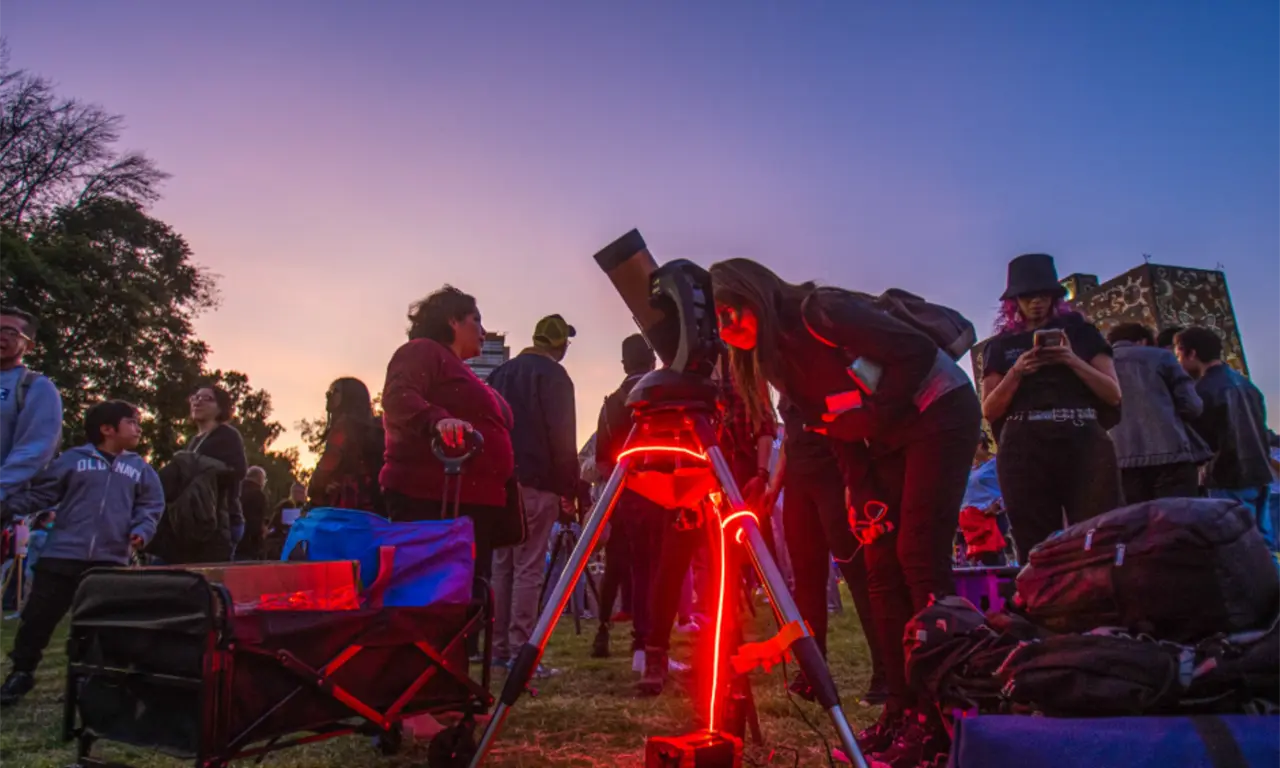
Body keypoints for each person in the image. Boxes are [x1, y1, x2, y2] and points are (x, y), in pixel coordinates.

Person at [710, 258, 981, 767]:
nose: (727, 330)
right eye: (718, 321)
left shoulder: (822, 312)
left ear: (756, 295)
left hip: (937, 413)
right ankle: (901, 710)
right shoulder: (777, 362)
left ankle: (938, 716)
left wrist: (870, 417)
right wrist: (858, 491)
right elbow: (831, 424)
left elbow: (916, 354)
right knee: (879, 564)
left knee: (917, 554)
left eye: (731, 313)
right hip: (883, 438)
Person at [0, 400, 163, 706]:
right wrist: (9, 507)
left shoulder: (139, 469)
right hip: (62, 556)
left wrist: (142, 530)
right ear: (107, 429)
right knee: (38, 619)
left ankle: (93, 680)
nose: (139, 428)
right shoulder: (72, 460)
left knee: (100, 624)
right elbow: (44, 492)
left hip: (110, 559)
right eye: (132, 422)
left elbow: (151, 505)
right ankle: (21, 672)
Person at [379, 285, 515, 622]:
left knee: (469, 598)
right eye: (476, 320)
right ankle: (435, 666)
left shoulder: (466, 373)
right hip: (436, 499)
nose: (483, 331)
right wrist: (438, 421)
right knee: (439, 601)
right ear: (453, 320)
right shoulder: (423, 351)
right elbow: (399, 396)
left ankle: (456, 666)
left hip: (474, 502)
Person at [980, 253, 1123, 552]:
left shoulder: (1082, 334)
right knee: (1036, 542)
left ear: (1055, 296)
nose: (1036, 303)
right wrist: (1017, 371)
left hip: (1082, 434)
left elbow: (1113, 393)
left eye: (1043, 295)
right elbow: (990, 408)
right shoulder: (1000, 346)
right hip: (1024, 442)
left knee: (1099, 532)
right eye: (1028, 296)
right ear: (1015, 301)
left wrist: (1071, 360)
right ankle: (1047, 597)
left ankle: (1100, 595)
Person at [766, 397, 887, 705]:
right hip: (799, 479)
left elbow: (853, 420)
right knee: (805, 578)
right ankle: (812, 673)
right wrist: (775, 485)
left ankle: (886, 673)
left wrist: (853, 481)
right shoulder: (784, 369)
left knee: (858, 573)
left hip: (832, 470)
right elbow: (791, 436)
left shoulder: (820, 357)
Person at [486, 314, 578, 675]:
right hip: (538, 483)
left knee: (502, 567)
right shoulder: (555, 377)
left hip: (501, 483)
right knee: (528, 568)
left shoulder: (499, 375)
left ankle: (497, 648)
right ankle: (520, 650)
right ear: (558, 344)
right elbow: (562, 436)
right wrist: (569, 489)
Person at [591, 335, 667, 665]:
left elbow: (601, 459)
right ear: (651, 361)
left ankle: (602, 631)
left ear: (624, 364)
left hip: (619, 493)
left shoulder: (610, 403)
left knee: (615, 566)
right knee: (648, 568)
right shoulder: (660, 395)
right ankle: (642, 645)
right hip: (655, 491)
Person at [1175, 327, 1273, 549]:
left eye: (1179, 355)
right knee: (1263, 545)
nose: (1178, 362)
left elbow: (1201, 440)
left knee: (1238, 546)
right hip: (1259, 472)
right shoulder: (1246, 385)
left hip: (1228, 476)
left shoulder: (1203, 390)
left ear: (1191, 353)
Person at [1106, 322, 1210, 503]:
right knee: (1176, 522)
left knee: (1136, 524)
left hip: (1120, 459)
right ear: (1143, 341)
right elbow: (1192, 405)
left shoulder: (1099, 364)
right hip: (1171, 455)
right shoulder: (1162, 357)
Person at [0, 307, 63, 507]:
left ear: (29, 346)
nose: (1, 337)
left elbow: (34, 450)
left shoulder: (36, 388)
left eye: (10, 332)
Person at [186, 385, 248, 561]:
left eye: (207, 399)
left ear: (220, 408)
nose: (198, 401)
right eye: (196, 397)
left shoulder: (227, 435)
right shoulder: (194, 441)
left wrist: (199, 469)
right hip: (196, 521)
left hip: (222, 521)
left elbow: (238, 471)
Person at [308, 377, 384, 513]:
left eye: (334, 391)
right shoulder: (379, 428)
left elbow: (324, 471)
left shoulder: (343, 428)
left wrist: (316, 488)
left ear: (349, 397)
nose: (328, 395)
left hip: (347, 511)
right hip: (376, 510)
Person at [237, 466, 268, 561]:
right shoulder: (258, 495)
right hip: (249, 546)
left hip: (234, 542)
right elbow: (255, 524)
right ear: (260, 479)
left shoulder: (236, 490)